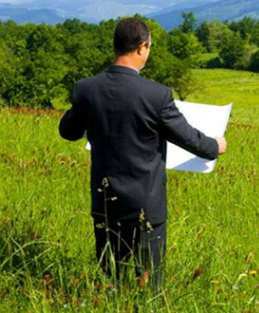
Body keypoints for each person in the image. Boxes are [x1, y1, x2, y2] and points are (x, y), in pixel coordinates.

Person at [59, 17, 226, 290]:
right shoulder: (157, 95)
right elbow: (186, 136)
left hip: (105, 202)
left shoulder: (86, 90)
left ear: (115, 46)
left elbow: (68, 131)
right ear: (141, 47)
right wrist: (214, 146)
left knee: (110, 277)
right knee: (149, 283)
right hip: (146, 204)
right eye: (149, 47)